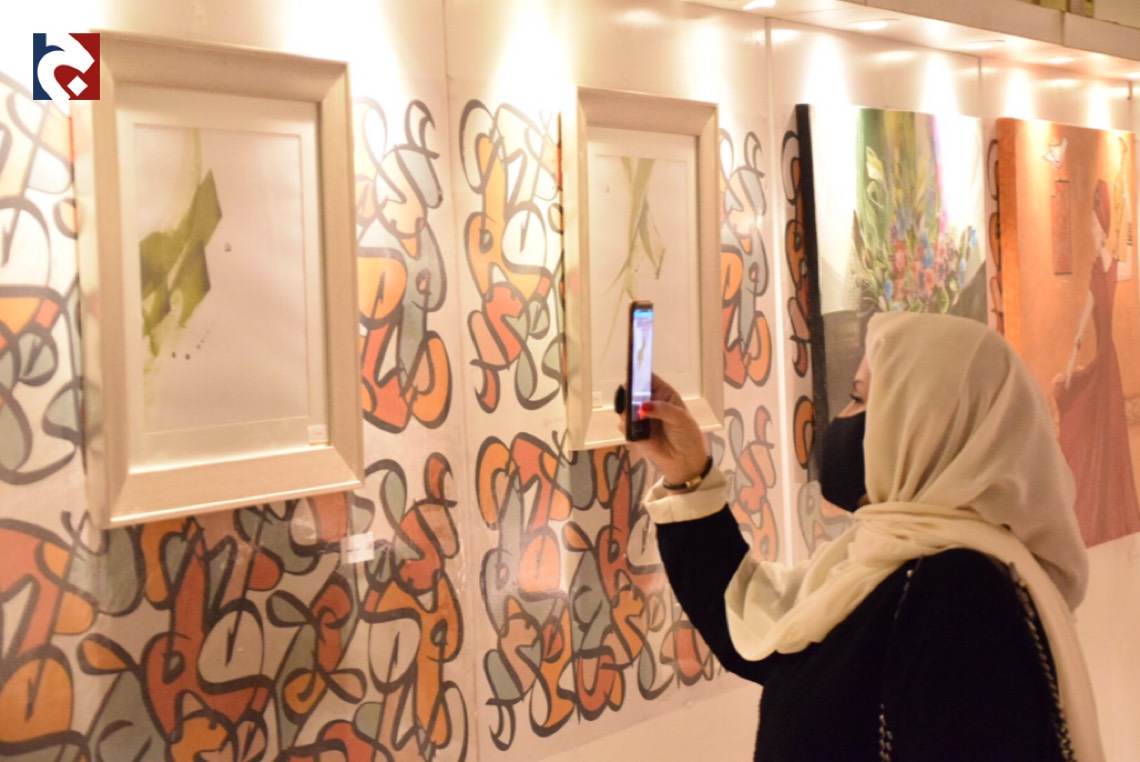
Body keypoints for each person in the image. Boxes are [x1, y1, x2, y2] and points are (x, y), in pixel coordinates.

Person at [624, 311, 1103, 760]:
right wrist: (686, 474)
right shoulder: (894, 560)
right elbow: (765, 637)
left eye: (859, 399)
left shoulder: (959, 593)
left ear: (920, 427)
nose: (843, 419)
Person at [1054, 178, 1140, 546]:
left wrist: (1128, 207)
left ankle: (1111, 510)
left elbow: (1131, 255)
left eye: (1093, 223)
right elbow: (1083, 322)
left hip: (1109, 363)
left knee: (1110, 432)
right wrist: (1070, 363)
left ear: (1102, 224)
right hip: (1106, 360)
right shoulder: (1099, 268)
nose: (1091, 230)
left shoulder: (1113, 267)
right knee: (1100, 427)